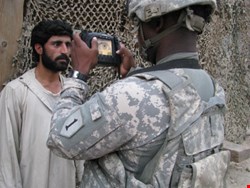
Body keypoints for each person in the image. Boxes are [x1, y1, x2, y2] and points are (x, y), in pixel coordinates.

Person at [47, 0, 230, 187]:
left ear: (156, 23)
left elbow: (59, 138)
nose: (137, 37)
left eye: (138, 26)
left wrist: (78, 75)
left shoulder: (133, 95)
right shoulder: (213, 88)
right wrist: (134, 76)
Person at [0, 20, 84, 188]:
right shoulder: (16, 91)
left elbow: (80, 155)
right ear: (39, 48)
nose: (65, 51)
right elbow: (6, 157)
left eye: (68, 45)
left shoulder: (73, 93)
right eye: (57, 44)